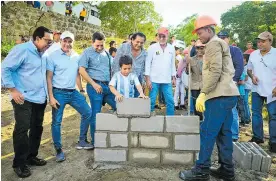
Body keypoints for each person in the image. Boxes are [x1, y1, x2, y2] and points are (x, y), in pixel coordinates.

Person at [179, 15, 239, 181]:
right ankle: (227, 170)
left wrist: (203, 93)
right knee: (224, 134)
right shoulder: (220, 43)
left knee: (207, 132)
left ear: (208, 29)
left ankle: (201, 170)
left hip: (218, 96)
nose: (198, 36)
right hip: (229, 95)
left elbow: (215, 71)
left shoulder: (213, 44)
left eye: (199, 33)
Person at [1, 26, 52, 178]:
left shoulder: (43, 53)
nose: (49, 44)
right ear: (36, 39)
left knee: (37, 128)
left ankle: (31, 156)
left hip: (39, 98)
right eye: (46, 41)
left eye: (50, 41)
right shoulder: (22, 49)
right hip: (23, 98)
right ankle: (19, 163)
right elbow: (5, 68)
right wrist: (13, 90)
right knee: (22, 130)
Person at [46, 31, 93, 162]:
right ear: (60, 41)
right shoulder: (52, 56)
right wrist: (51, 96)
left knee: (88, 112)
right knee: (57, 121)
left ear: (73, 42)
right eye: (64, 41)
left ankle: (82, 140)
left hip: (72, 92)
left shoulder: (76, 57)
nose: (67, 44)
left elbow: (77, 75)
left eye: (70, 41)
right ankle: (58, 149)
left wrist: (82, 90)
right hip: (58, 93)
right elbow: (49, 77)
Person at [79, 32, 116, 147]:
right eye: (97, 45)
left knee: (120, 107)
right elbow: (81, 70)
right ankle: (96, 143)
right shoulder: (86, 52)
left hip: (108, 87)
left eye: (102, 45)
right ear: (92, 42)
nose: (99, 48)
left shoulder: (107, 54)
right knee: (96, 115)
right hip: (94, 87)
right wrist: (93, 84)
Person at [247, 31, 276, 153]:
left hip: (272, 90)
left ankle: (274, 141)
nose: (260, 44)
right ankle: (258, 137)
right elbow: (249, 69)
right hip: (257, 89)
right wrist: (252, 76)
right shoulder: (253, 54)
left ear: (270, 41)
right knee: (256, 113)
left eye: (263, 41)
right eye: (258, 41)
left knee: (273, 116)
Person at [217, 31, 243, 142]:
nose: (222, 40)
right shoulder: (216, 50)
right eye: (219, 38)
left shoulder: (235, 50)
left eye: (224, 38)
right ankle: (221, 134)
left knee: (232, 109)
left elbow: (239, 67)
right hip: (218, 84)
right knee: (218, 109)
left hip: (231, 84)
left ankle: (233, 135)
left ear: (228, 39)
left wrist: (233, 80)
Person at [145, 27, 176, 116]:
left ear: (167, 36)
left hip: (166, 80)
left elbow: (172, 63)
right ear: (157, 36)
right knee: (152, 101)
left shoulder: (171, 48)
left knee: (170, 101)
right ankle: (149, 118)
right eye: (160, 36)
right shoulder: (152, 48)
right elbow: (147, 63)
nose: (162, 38)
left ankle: (170, 120)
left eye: (164, 36)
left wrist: (173, 77)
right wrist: (148, 79)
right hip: (154, 79)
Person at [112, 32, 147, 97]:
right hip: (123, 79)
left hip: (136, 81)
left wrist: (143, 81)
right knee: (123, 102)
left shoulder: (144, 53)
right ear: (132, 40)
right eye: (137, 42)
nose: (139, 44)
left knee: (136, 101)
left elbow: (143, 68)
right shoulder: (124, 47)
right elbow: (116, 64)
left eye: (141, 43)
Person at [186, 40, 205, 121]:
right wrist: (187, 64)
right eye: (197, 48)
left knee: (205, 105)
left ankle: (206, 121)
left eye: (201, 48)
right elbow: (187, 72)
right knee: (196, 105)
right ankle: (199, 121)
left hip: (205, 85)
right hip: (195, 85)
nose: (199, 50)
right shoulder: (191, 59)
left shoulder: (209, 59)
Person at [243, 53, 252, 123]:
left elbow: (246, 78)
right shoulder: (245, 66)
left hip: (246, 86)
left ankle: (247, 117)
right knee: (245, 102)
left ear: (245, 59)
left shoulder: (246, 67)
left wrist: (240, 81)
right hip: (246, 86)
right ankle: (247, 117)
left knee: (245, 102)